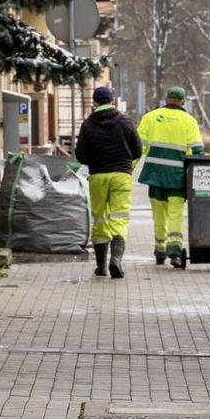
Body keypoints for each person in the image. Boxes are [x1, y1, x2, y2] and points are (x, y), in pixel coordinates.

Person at [75, 86, 142, 279]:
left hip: (98, 176)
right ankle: (116, 260)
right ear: (112, 101)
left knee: (100, 217)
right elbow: (137, 150)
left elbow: (81, 155)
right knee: (119, 217)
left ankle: (101, 266)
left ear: (94, 103)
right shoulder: (126, 121)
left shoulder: (87, 124)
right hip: (121, 175)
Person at [138, 86, 204, 266]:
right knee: (176, 214)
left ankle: (160, 251)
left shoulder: (150, 118)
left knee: (159, 215)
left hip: (155, 177)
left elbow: (137, 149)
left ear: (166, 99)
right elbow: (198, 151)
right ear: (183, 102)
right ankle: (175, 252)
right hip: (177, 179)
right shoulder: (189, 121)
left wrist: (128, 168)